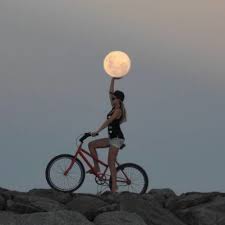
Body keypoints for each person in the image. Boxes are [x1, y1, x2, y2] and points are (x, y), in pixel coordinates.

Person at [88, 77, 127, 193]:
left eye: (114, 98)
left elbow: (108, 122)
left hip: (117, 139)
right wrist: (113, 79)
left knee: (110, 162)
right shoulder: (113, 107)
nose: (112, 99)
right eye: (113, 98)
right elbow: (110, 92)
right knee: (91, 145)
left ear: (119, 100)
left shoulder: (118, 111)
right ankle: (97, 167)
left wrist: (97, 130)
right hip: (111, 138)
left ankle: (114, 188)